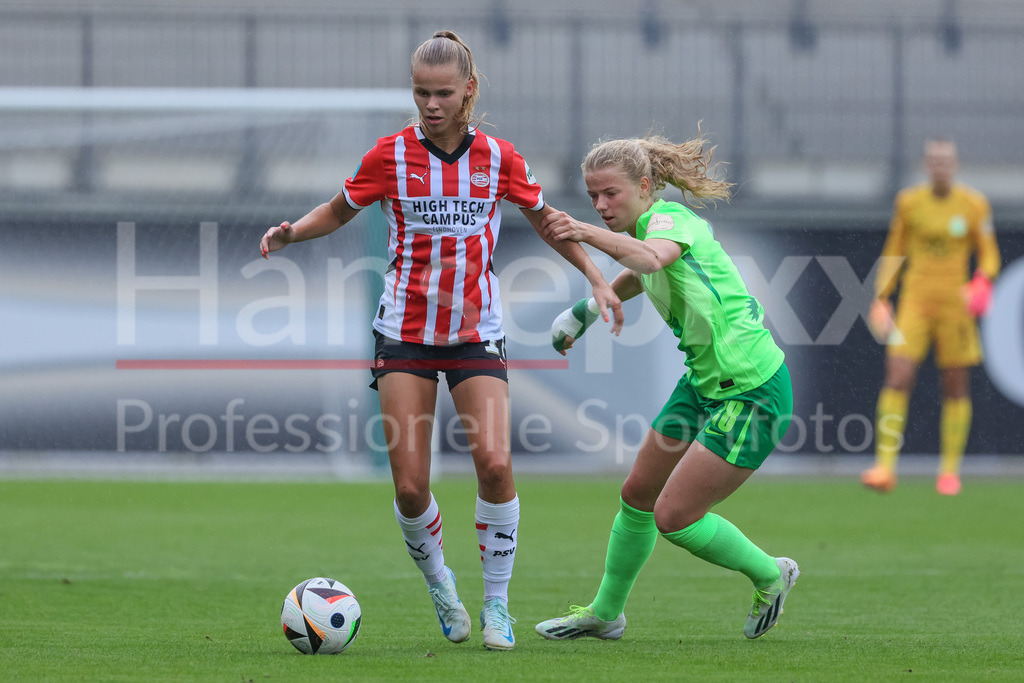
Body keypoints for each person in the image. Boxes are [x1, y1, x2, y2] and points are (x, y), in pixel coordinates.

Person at [259, 30, 622, 651]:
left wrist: (595, 276)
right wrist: (294, 233)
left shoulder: (499, 158)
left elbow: (547, 222)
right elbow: (339, 209)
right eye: (421, 92)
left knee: (496, 465)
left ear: (468, 91)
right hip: (404, 334)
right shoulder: (389, 156)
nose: (431, 104)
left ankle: (497, 604)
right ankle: (441, 585)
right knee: (409, 486)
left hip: (476, 333)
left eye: (443, 93)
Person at [534, 130, 798, 642]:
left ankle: (771, 574)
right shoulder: (644, 234)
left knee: (674, 516)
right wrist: (587, 310)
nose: (601, 205)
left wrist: (582, 232)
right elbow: (642, 271)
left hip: (751, 392)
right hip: (703, 384)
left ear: (644, 186)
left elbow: (651, 260)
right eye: (592, 195)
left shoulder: (671, 220)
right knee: (636, 494)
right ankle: (606, 614)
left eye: (610, 193)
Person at [862, 138, 1000, 496]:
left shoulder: (973, 205)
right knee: (897, 376)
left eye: (946, 160)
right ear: (926, 165)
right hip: (915, 302)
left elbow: (989, 254)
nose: (940, 166)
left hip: (955, 305)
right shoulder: (909, 203)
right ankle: (884, 466)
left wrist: (982, 280)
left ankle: (949, 471)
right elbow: (894, 251)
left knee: (955, 384)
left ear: (955, 165)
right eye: (934, 160)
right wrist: (881, 297)